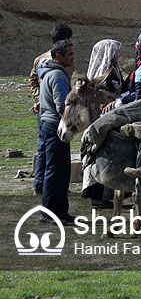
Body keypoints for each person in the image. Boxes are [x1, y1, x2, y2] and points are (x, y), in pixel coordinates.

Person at [29, 23, 73, 195]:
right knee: (54, 153)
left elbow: (33, 81)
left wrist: (40, 101)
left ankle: (40, 185)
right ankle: (49, 188)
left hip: (45, 109)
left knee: (43, 148)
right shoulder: (58, 59)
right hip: (54, 112)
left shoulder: (40, 59)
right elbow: (56, 88)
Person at [81, 39, 123, 209]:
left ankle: (108, 196)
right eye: (115, 52)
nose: (118, 55)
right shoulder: (102, 76)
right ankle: (97, 198)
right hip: (100, 119)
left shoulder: (114, 71)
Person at [37, 39, 75, 222]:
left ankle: (60, 212)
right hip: (55, 128)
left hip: (51, 127)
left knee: (60, 170)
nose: (73, 57)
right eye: (70, 54)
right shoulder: (58, 76)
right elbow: (62, 105)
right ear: (58, 56)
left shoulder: (51, 73)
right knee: (55, 171)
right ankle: (49, 213)